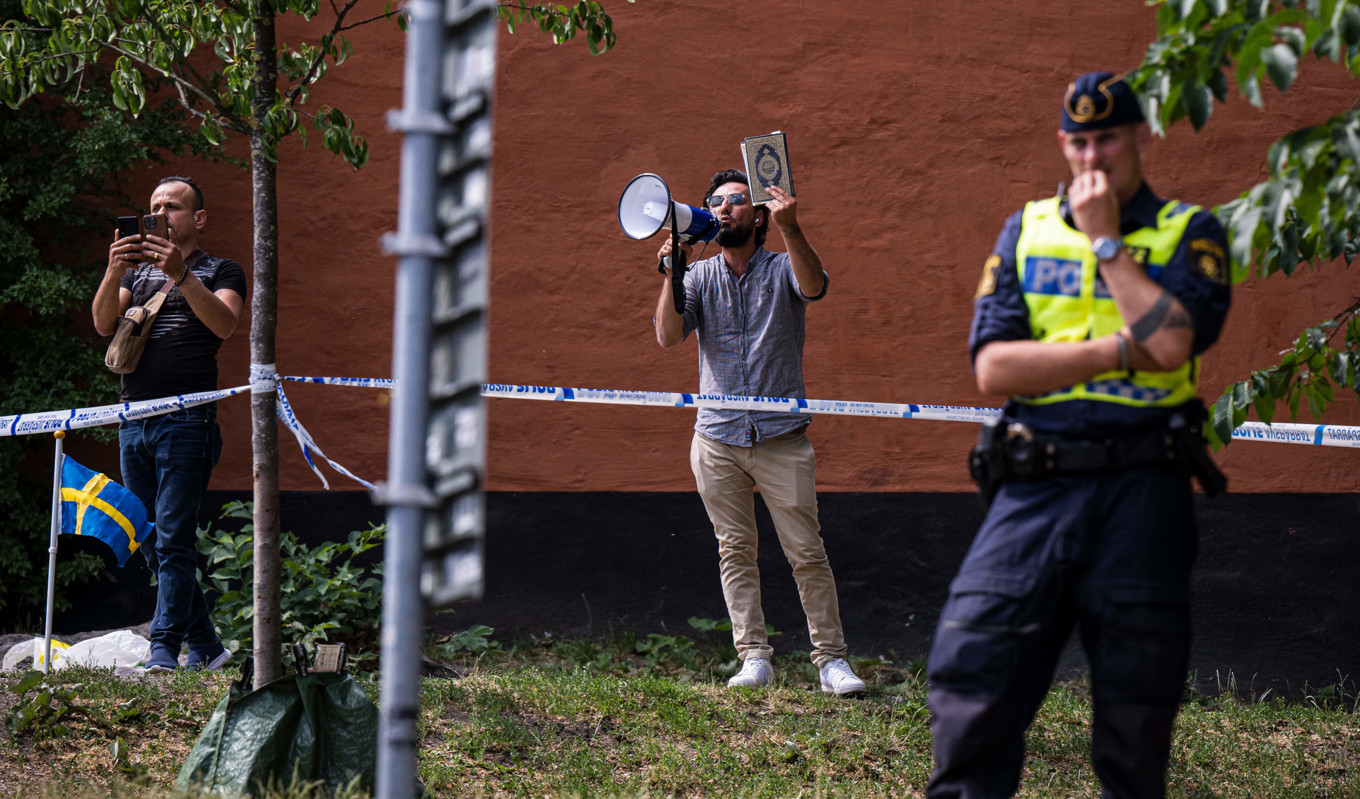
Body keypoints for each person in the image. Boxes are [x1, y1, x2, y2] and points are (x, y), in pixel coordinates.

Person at [925, 72, 1233, 798]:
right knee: (970, 673)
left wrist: (1104, 242)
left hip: (1144, 489)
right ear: (1064, 144)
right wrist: (1120, 349)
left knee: (1136, 712)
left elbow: (1177, 344)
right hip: (1037, 485)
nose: (1094, 157)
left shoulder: (1191, 232)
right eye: (1080, 141)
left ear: (1139, 138)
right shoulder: (1025, 228)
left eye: (1109, 138)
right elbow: (995, 367)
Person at [654, 169, 866, 695]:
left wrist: (793, 228)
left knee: (806, 553)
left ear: (758, 216)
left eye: (734, 202)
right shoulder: (699, 277)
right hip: (717, 439)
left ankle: (831, 661)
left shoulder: (780, 268)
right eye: (715, 203)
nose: (723, 209)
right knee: (735, 551)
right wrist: (671, 274)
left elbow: (814, 287)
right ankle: (753, 658)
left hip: (780, 439)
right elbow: (667, 337)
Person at [92, 176, 247, 673]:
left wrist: (181, 276)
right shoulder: (134, 275)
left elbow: (225, 324)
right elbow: (101, 325)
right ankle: (208, 645)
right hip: (133, 422)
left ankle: (164, 649)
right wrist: (114, 268)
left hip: (187, 421)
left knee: (175, 535)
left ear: (197, 218)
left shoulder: (221, 269)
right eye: (155, 206)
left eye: (173, 207)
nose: (161, 214)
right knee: (151, 537)